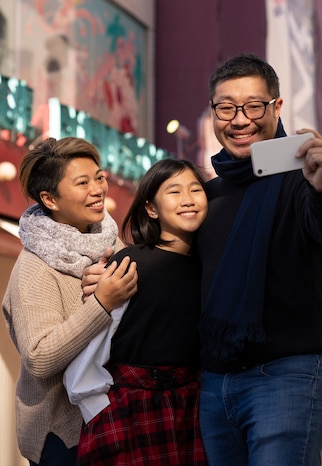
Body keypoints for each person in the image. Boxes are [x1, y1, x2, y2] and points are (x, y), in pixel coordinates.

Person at [197, 53, 322, 466]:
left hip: (287, 378)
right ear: (213, 112)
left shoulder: (306, 176)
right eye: (226, 107)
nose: (240, 119)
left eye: (254, 105)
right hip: (214, 384)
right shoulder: (208, 196)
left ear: (276, 107)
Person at [2, 137, 138, 466]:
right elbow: (40, 358)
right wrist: (101, 304)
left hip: (115, 416)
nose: (97, 189)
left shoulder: (110, 241)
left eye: (99, 177)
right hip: (63, 434)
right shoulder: (35, 269)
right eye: (82, 182)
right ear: (49, 198)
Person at [65, 158, 209, 465]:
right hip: (129, 408)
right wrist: (100, 411)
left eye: (196, 189)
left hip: (191, 408)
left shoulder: (209, 266)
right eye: (174, 191)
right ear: (151, 208)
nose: (188, 200)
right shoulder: (129, 263)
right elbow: (91, 349)